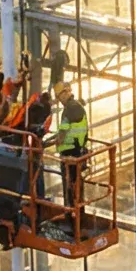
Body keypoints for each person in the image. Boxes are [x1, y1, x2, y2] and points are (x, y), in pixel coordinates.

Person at [54, 84, 92, 219]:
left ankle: (71, 216)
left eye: (59, 97)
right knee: (76, 185)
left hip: (71, 154)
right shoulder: (75, 107)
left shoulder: (70, 109)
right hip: (77, 152)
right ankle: (78, 214)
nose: (59, 100)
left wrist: (56, 142)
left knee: (70, 186)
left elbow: (63, 132)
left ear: (64, 94)